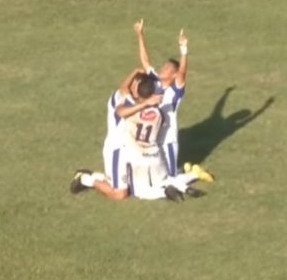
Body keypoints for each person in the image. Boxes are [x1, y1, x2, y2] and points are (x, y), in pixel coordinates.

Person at [71, 74, 194, 202]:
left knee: (129, 186)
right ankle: (85, 179)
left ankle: (98, 177)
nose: (135, 87)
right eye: (134, 84)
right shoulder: (120, 100)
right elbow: (122, 108)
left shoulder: (136, 102)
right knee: (120, 194)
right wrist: (145, 100)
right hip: (116, 150)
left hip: (130, 152)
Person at [135, 20, 211, 182]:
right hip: (153, 139)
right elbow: (146, 61)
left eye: (168, 68)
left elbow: (183, 72)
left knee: (171, 177)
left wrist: (183, 49)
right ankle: (186, 169)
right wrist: (140, 35)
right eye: (163, 66)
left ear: (174, 74)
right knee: (155, 176)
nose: (163, 68)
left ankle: (194, 174)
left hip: (168, 140)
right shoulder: (154, 81)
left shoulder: (175, 91)